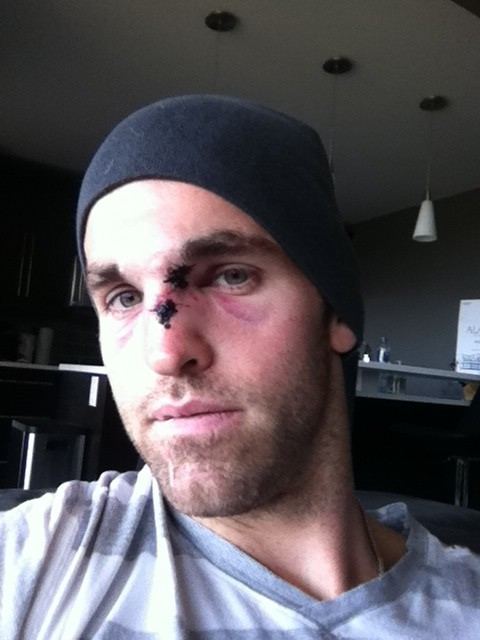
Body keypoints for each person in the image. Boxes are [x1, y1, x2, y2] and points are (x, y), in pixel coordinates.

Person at [1, 95, 479, 639]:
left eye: (231, 276)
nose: (165, 353)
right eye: (124, 297)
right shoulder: (36, 564)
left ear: (336, 311)